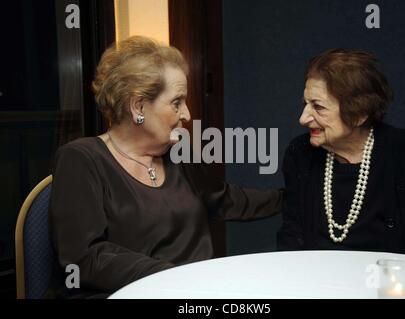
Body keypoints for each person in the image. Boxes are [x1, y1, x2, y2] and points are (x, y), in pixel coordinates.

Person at [49, 36, 282, 298]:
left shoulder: (178, 153)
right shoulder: (81, 159)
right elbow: (85, 257)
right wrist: (173, 278)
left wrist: (293, 196)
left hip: (198, 291)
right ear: (138, 106)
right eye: (176, 102)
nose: (187, 114)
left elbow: (225, 199)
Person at [277, 49, 405, 259]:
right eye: (306, 104)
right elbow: (291, 241)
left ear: (358, 114)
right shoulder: (300, 153)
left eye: (318, 107)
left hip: (391, 285)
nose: (303, 119)